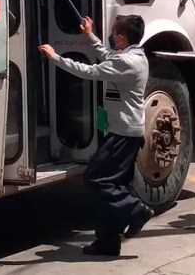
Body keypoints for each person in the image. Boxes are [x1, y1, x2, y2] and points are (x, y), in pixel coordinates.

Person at [38, 14, 153, 256]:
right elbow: (107, 57)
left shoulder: (128, 61)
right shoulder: (130, 57)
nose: (110, 37)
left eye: (113, 34)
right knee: (115, 184)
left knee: (96, 178)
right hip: (122, 130)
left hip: (123, 134)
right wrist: (90, 35)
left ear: (121, 38)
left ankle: (135, 209)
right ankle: (108, 241)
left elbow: (88, 71)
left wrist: (55, 57)